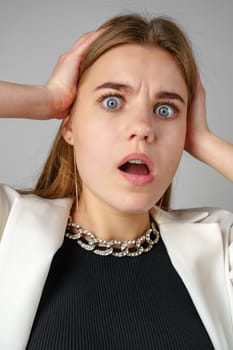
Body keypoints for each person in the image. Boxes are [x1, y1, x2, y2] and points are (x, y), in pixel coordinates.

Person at [0, 14, 232, 350]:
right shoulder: (8, 230)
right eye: (112, 101)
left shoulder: (219, 249)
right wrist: (45, 99)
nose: (143, 127)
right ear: (69, 127)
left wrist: (204, 141)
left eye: (166, 110)